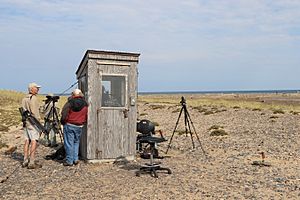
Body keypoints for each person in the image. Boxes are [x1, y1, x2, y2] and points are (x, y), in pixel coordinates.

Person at [60, 89, 88, 166]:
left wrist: (63, 122)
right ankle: (75, 159)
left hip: (69, 124)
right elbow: (86, 114)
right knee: (76, 142)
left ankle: (69, 160)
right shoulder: (85, 104)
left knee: (69, 143)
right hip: (79, 125)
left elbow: (64, 114)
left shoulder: (69, 103)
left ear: (73, 95)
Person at [21, 82, 42, 169]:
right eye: (36, 88)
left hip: (26, 122)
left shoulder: (24, 98)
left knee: (26, 141)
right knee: (34, 141)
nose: (38, 89)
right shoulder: (33, 98)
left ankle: (25, 160)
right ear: (32, 89)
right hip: (33, 123)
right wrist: (40, 124)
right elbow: (34, 113)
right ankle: (32, 162)